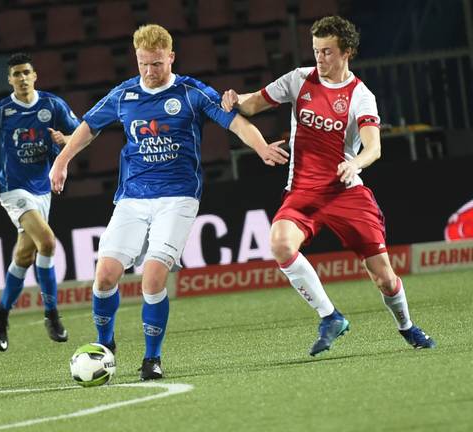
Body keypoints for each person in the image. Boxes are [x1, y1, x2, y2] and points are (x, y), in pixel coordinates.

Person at [49, 24, 289, 380]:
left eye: (157, 63)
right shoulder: (124, 94)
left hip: (177, 198)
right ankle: (105, 345)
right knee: (104, 276)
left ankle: (152, 358)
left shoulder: (191, 92)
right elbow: (89, 126)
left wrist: (262, 147)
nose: (150, 71)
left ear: (171, 57)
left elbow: (236, 123)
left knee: (152, 278)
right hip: (132, 198)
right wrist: (62, 160)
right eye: (144, 64)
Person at [221, 15, 436, 356]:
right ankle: (330, 317)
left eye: (327, 52)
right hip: (302, 191)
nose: (320, 59)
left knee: (383, 277)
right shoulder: (299, 79)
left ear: (347, 52)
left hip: (345, 192)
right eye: (316, 51)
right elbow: (254, 103)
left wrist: (355, 163)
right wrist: (235, 99)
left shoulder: (360, 95)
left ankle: (407, 326)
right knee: (280, 244)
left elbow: (374, 148)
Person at [0, 52, 81, 352]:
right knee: (47, 242)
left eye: (26, 73)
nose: (22, 78)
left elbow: (79, 131)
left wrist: (65, 140)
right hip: (13, 188)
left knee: (23, 256)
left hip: (42, 189)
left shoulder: (52, 105)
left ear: (35, 76)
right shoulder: (2, 110)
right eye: (16, 74)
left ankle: (2, 311)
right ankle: (52, 314)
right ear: (9, 80)